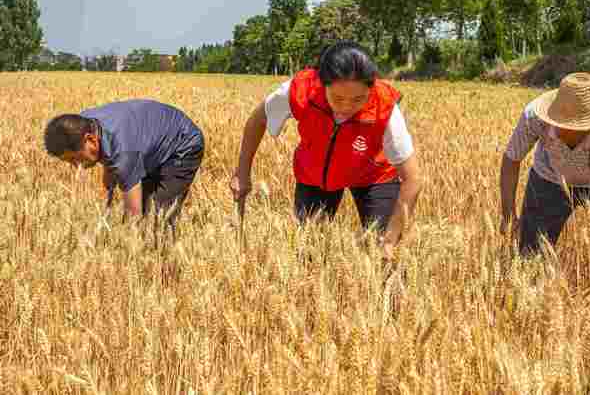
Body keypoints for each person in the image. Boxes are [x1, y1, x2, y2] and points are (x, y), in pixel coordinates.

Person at [230, 41, 422, 259]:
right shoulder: (300, 90)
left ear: (372, 87)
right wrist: (242, 172)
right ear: (322, 84)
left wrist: (389, 239)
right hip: (316, 173)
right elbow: (258, 119)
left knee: (382, 254)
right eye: (337, 99)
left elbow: (412, 178)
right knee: (309, 253)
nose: (347, 107)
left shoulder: (384, 106)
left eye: (359, 99)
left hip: (374, 175)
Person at [499, 72, 590, 257]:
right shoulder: (535, 117)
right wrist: (508, 215)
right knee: (530, 255)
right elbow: (511, 160)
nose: (571, 129)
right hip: (548, 179)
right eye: (567, 123)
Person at [43, 99, 205, 236]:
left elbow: (133, 216)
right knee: (144, 207)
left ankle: (164, 263)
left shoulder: (124, 152)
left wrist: (124, 246)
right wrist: (109, 169)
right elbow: (109, 146)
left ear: (91, 139)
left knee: (156, 220)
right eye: (69, 161)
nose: (76, 166)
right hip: (149, 139)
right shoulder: (82, 122)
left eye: (75, 158)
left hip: (183, 143)